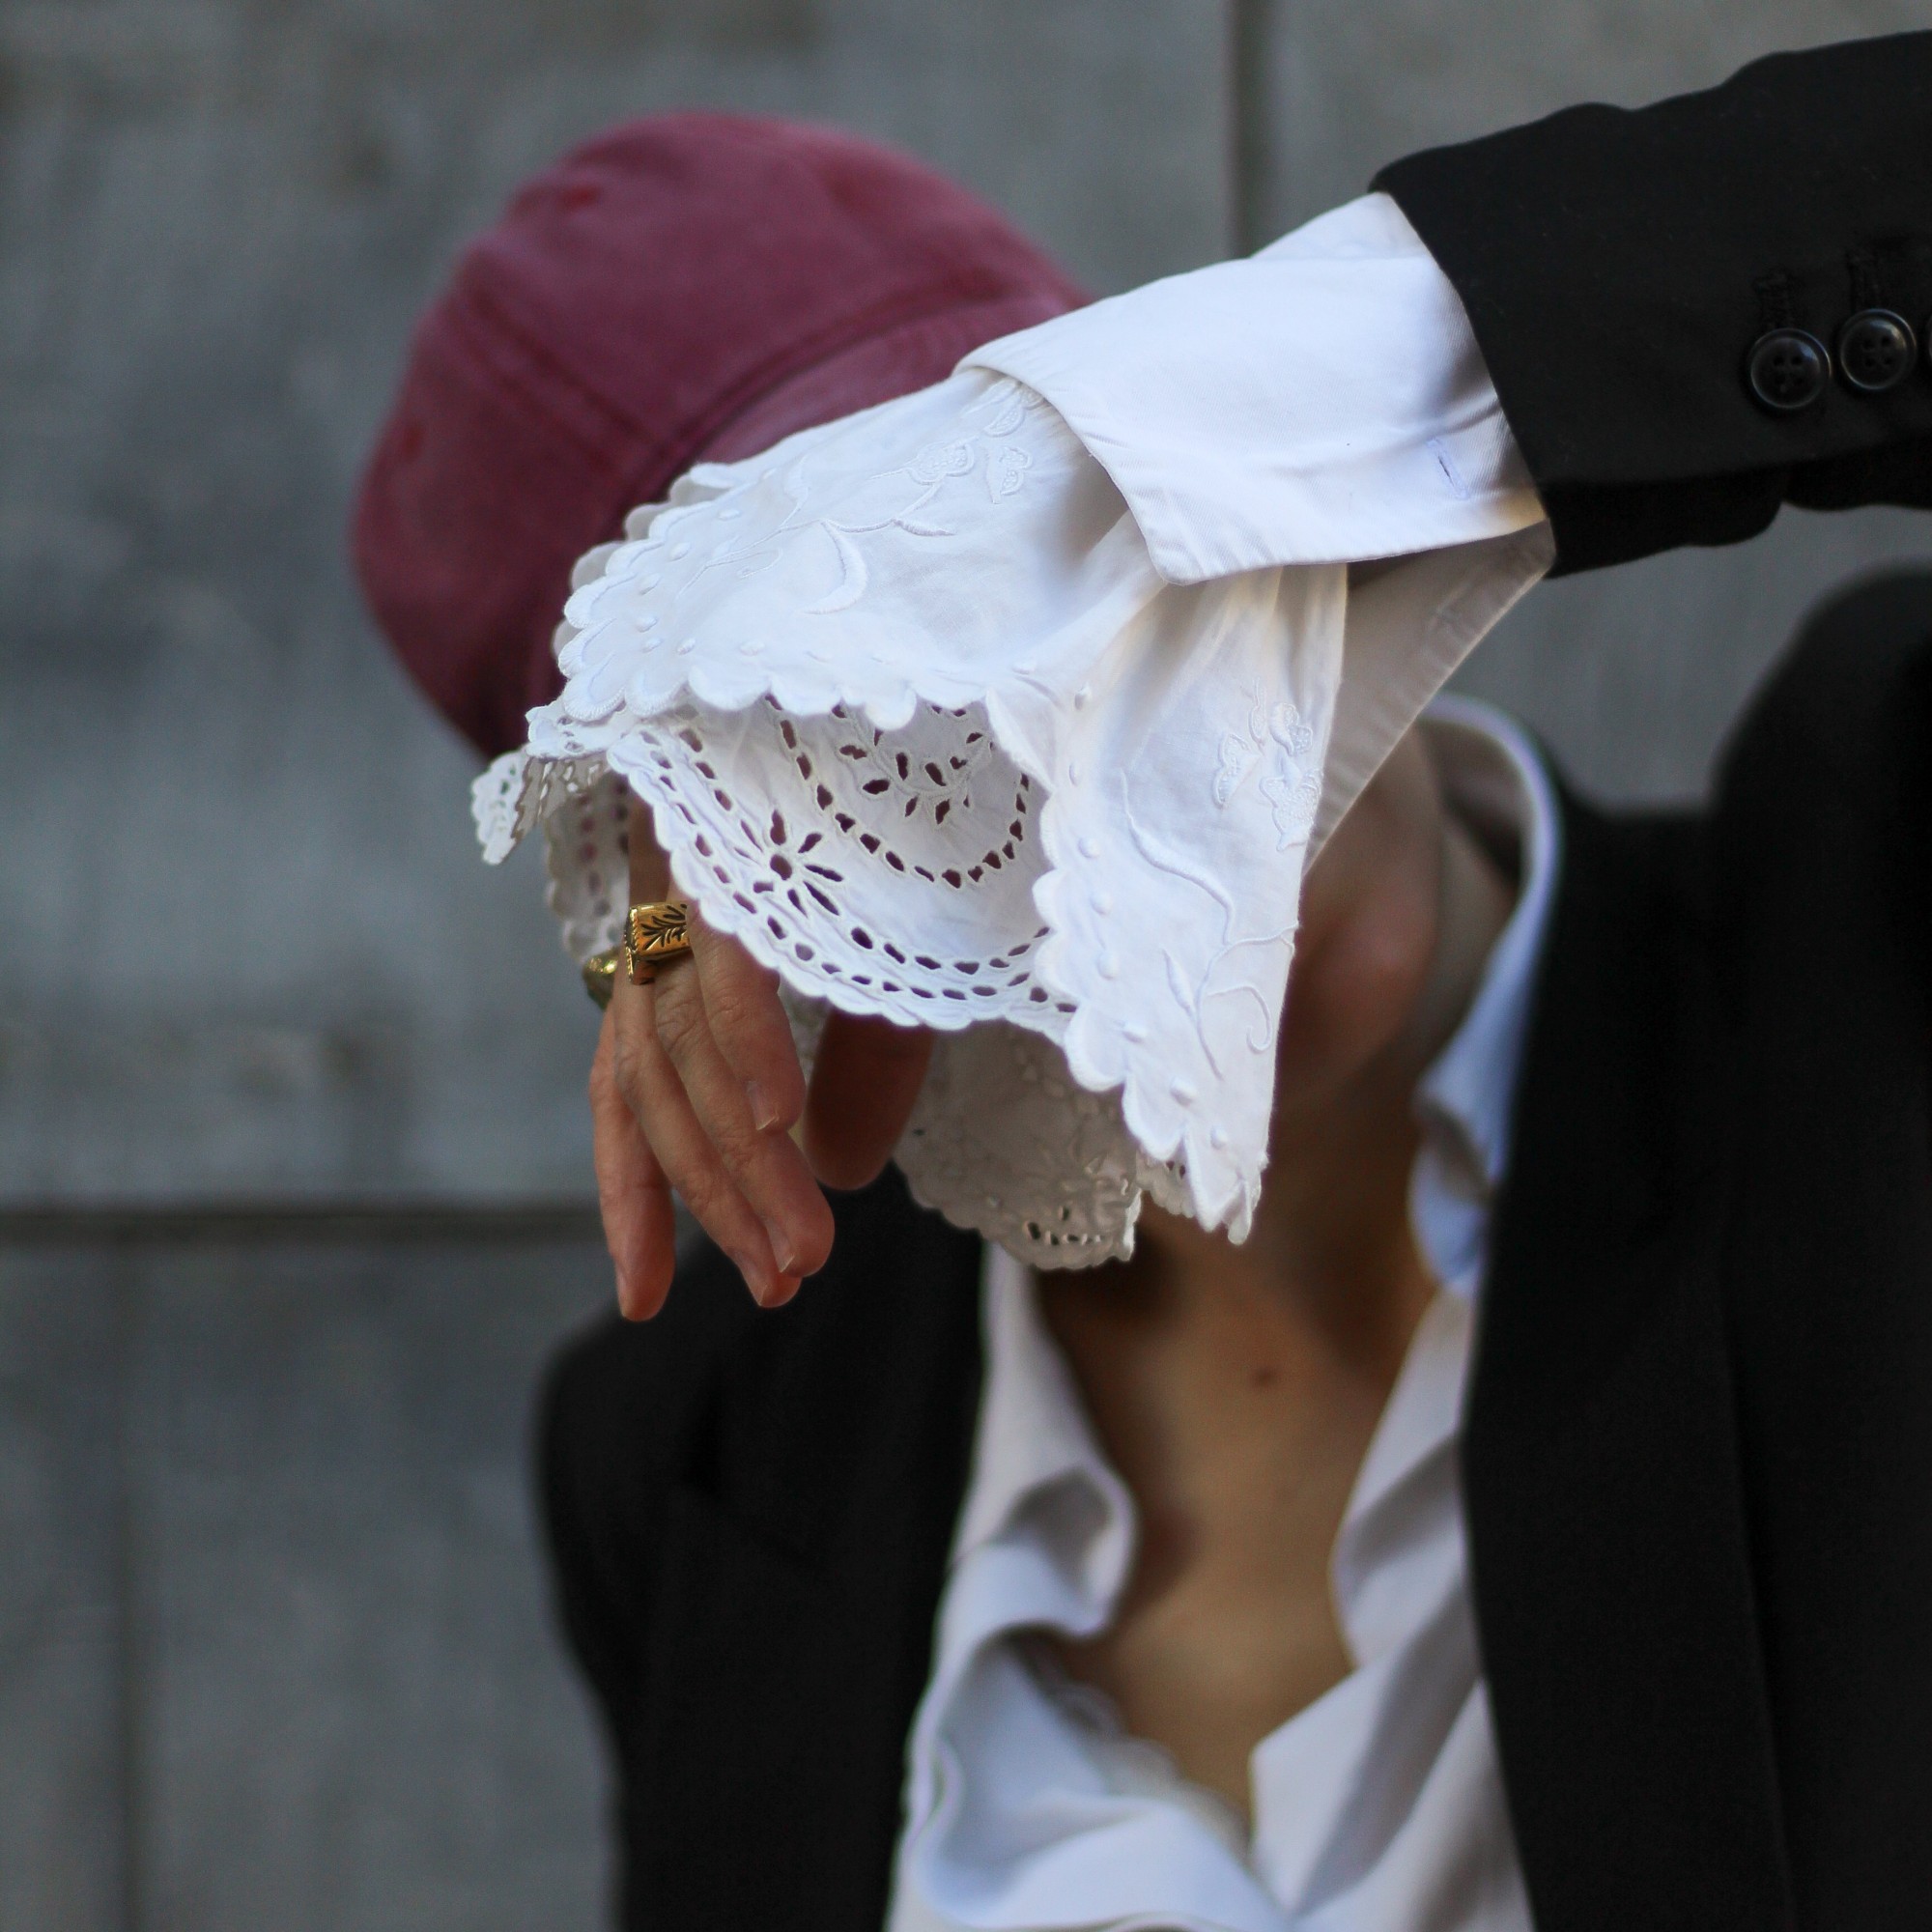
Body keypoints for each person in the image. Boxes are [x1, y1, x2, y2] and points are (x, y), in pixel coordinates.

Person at [355, 36, 1932, 1932]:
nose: (1070, 776)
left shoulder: (1872, 920)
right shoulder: (706, 1450)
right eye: (877, 758)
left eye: (1084, 584)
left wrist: (1389, 371)